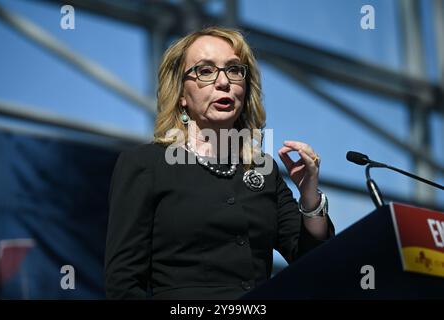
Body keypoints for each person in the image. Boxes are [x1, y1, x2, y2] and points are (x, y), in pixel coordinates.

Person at [104, 26, 334, 300]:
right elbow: (123, 284)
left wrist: (309, 196)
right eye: (205, 71)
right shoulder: (145, 165)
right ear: (181, 94)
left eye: (234, 70)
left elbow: (313, 262)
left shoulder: (263, 169)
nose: (223, 82)